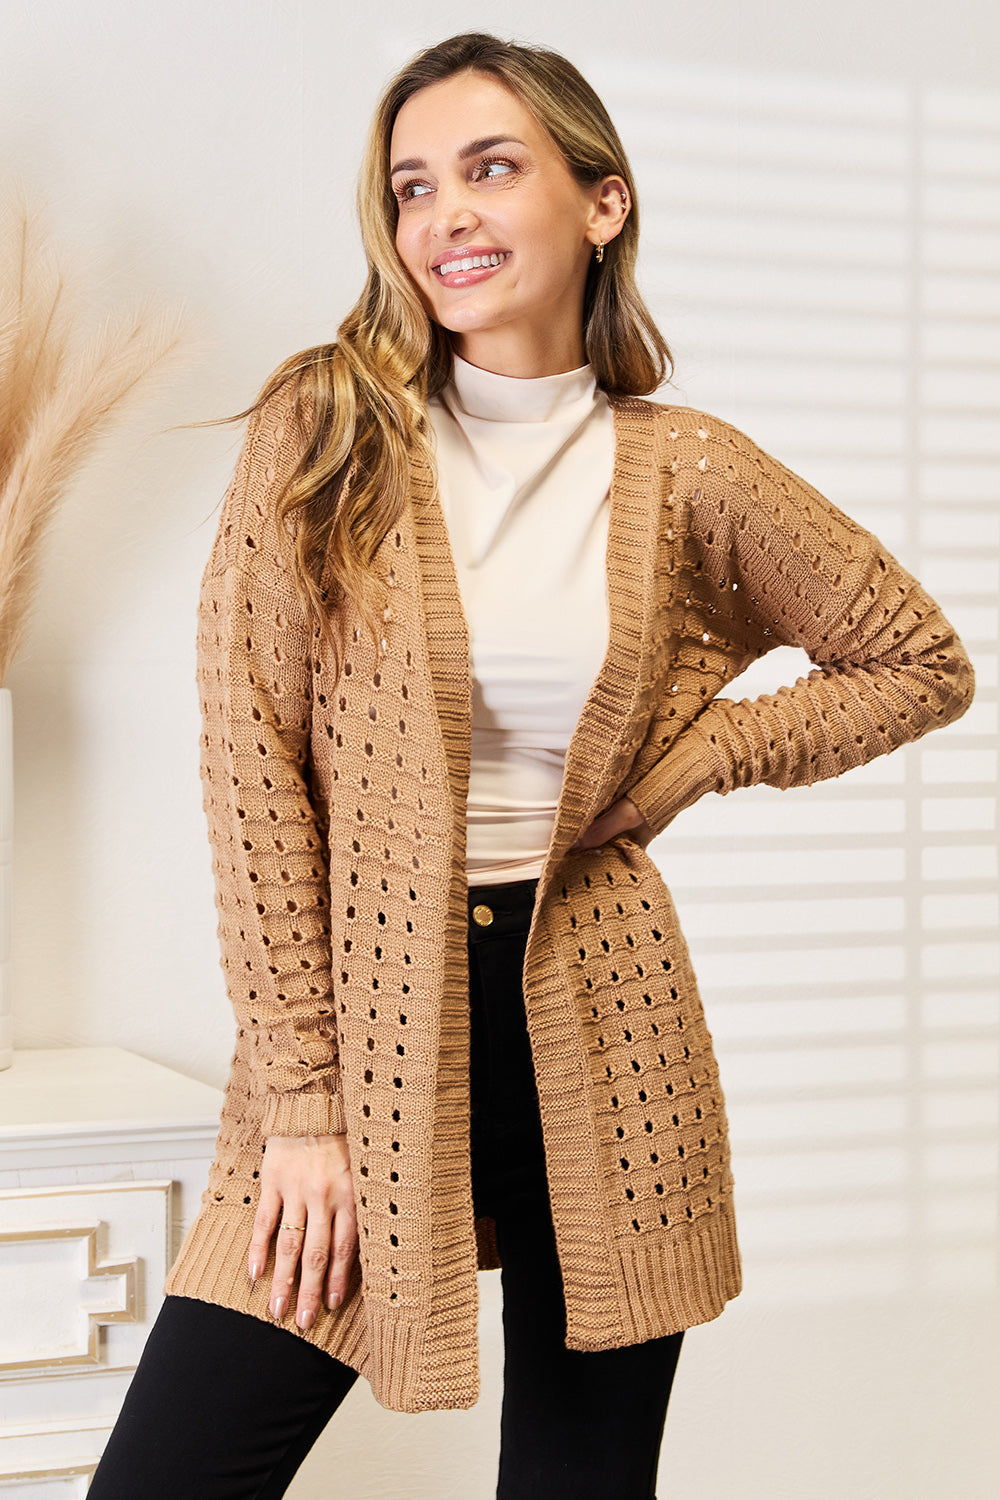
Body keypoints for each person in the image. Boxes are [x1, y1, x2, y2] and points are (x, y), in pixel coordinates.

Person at [89, 30, 975, 1500]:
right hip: (362, 1043)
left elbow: (916, 660)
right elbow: (253, 771)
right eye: (412, 186)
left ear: (602, 201)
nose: (444, 217)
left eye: (490, 170)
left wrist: (697, 760)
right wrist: (302, 1105)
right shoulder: (324, 433)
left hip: (607, 1034)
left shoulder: (686, 470)